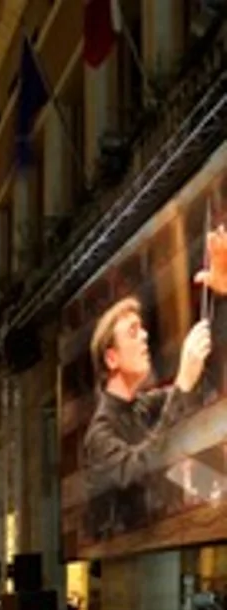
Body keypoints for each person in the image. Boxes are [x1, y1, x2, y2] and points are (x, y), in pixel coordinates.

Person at [80, 226, 227, 542]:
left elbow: (205, 387)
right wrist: (183, 382)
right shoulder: (99, 436)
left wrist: (222, 294)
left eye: (143, 329)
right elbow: (141, 472)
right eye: (133, 332)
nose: (145, 336)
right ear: (111, 358)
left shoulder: (145, 405)